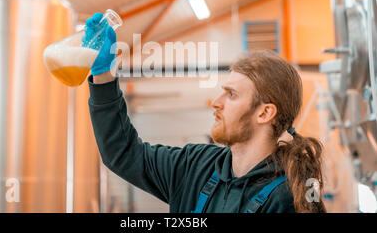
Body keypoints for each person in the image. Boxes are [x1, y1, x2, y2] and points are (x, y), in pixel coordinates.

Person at [86, 12, 327, 213]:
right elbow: (123, 152)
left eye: (231, 94)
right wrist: (103, 74)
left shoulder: (290, 198)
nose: (216, 102)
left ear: (264, 113)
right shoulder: (195, 166)